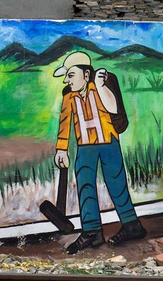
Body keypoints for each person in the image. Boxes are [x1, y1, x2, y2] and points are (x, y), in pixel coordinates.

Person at [51, 50, 146, 252]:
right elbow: (65, 122)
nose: (67, 80)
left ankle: (131, 224)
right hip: (85, 146)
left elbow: (114, 109)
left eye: (71, 75)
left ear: (86, 75)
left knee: (116, 182)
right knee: (85, 186)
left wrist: (102, 86)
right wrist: (61, 149)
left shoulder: (100, 88)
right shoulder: (69, 97)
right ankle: (92, 231)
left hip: (108, 142)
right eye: (67, 76)